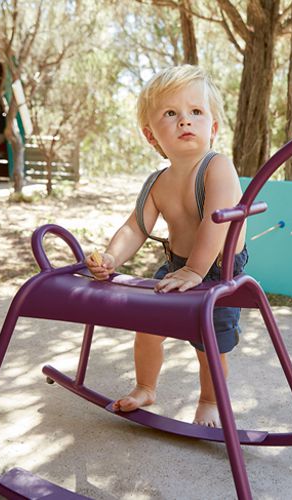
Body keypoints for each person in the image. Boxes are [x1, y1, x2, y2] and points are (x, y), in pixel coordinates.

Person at [86, 65, 247, 427]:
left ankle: (209, 400)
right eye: (170, 113)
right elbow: (136, 227)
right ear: (151, 136)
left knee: (211, 344)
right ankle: (145, 386)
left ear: (214, 128)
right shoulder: (158, 182)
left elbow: (216, 221)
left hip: (219, 269)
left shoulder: (217, 167)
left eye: (196, 112)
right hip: (178, 265)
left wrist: (195, 270)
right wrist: (112, 256)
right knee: (147, 329)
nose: (184, 121)